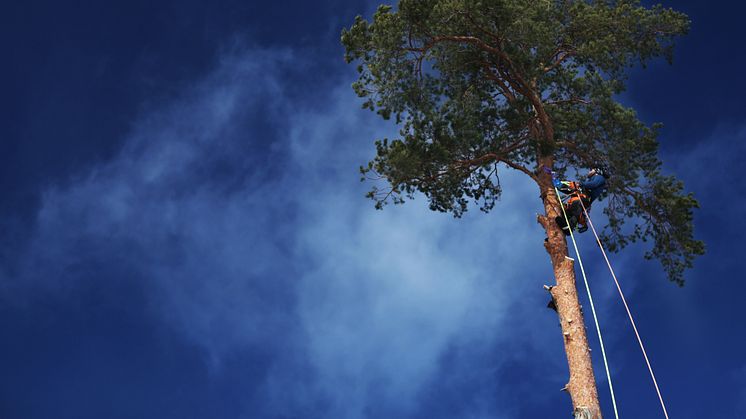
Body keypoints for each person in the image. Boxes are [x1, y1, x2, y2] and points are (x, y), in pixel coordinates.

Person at [554, 167, 609, 235]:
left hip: (582, 199)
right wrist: (558, 184)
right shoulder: (584, 186)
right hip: (578, 199)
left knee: (576, 205)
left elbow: (594, 184)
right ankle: (558, 233)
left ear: (598, 171)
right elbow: (570, 189)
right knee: (565, 211)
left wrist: (581, 184)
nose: (589, 171)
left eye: (591, 169)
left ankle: (570, 226)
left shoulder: (600, 177)